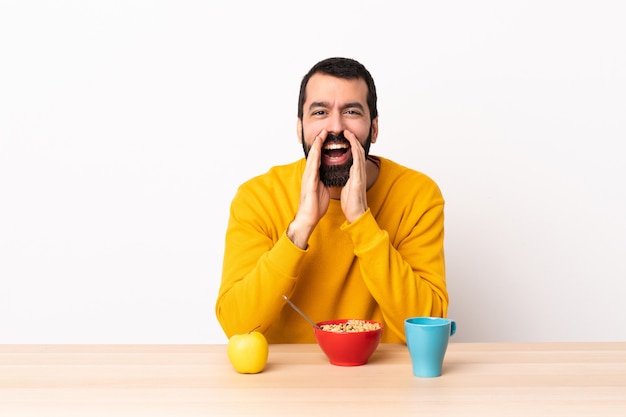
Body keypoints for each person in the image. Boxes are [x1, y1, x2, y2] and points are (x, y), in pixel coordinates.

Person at [215, 57, 448, 343]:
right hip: (285, 383)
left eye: (351, 111)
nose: (336, 126)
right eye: (320, 112)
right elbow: (238, 326)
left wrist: (362, 221)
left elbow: (427, 329)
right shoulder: (257, 197)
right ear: (300, 128)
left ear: (373, 127)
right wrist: (300, 227)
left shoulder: (417, 195)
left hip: (383, 381)